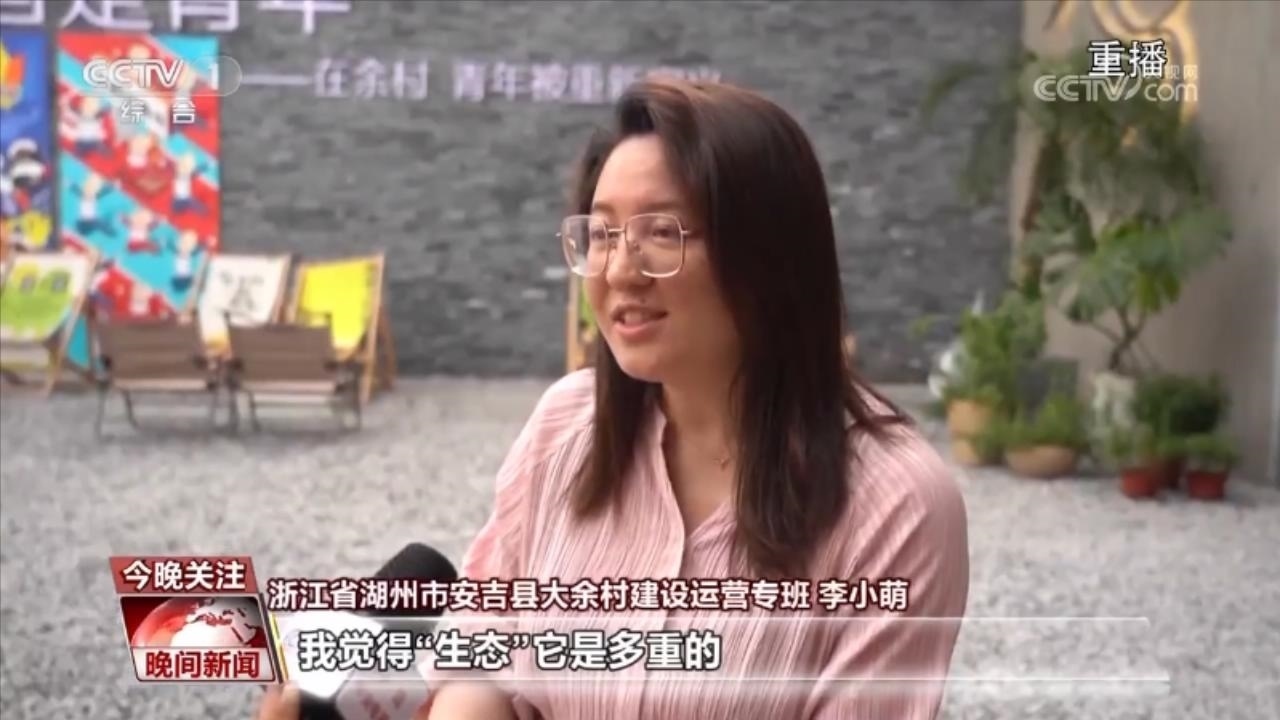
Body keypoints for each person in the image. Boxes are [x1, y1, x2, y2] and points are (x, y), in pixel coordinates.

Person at [257, 77, 969, 720]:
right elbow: (485, 655)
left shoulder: (894, 506)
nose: (620, 271)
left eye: (661, 232)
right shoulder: (565, 424)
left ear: (769, 255)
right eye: (600, 234)